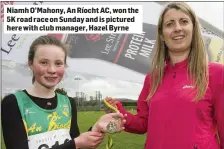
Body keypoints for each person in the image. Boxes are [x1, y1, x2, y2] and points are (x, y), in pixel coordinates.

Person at [105, 2, 224, 149]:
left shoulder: (217, 74)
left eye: (184, 22)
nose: (177, 28)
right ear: (162, 35)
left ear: (193, 28)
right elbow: (142, 124)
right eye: (169, 24)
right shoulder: (152, 78)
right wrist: (119, 111)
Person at [1, 35, 125, 149]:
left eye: (58, 63)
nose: (52, 70)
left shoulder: (68, 102)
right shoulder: (13, 103)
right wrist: (75, 144)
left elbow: (74, 141)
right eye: (44, 62)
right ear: (31, 64)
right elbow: (74, 144)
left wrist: (96, 128)